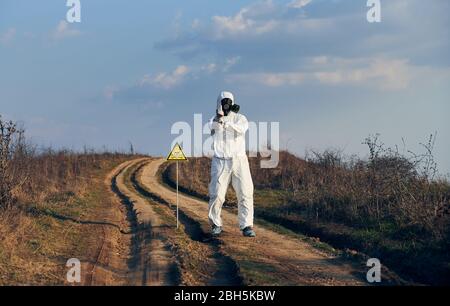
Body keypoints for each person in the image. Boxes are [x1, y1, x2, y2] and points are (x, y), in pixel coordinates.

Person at [208, 91, 256, 237]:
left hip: (239, 161)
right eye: (224, 102)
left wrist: (227, 121)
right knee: (217, 194)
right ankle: (216, 224)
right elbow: (213, 130)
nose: (226, 105)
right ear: (219, 104)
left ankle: (246, 225)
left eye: (228, 102)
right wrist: (220, 116)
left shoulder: (241, 118)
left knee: (245, 192)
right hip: (220, 161)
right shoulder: (213, 120)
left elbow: (241, 129)